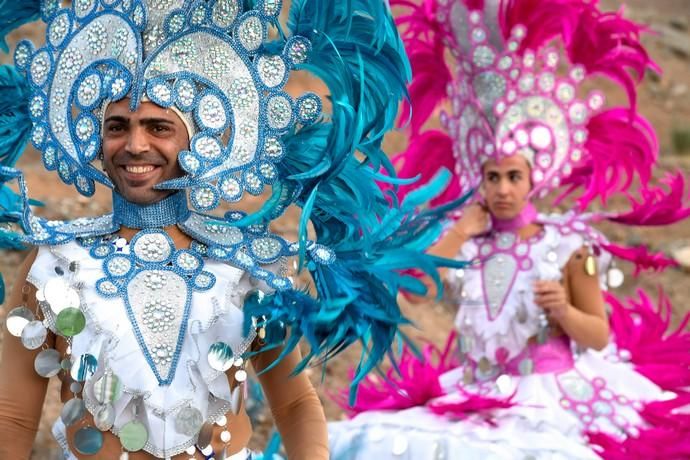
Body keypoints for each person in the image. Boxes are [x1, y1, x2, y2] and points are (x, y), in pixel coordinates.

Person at [0, 1, 447, 458]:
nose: (135, 145)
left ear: (197, 140)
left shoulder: (244, 264)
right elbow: (12, 416)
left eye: (158, 127)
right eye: (118, 126)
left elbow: (294, 404)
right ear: (95, 137)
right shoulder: (53, 264)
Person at [328, 0, 690, 458]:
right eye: (492, 176)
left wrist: (563, 312)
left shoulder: (569, 244)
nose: (502, 189)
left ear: (534, 178)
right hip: (476, 396)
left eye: (513, 177)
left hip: (549, 398)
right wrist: (460, 231)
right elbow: (413, 290)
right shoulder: (464, 241)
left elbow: (599, 336)